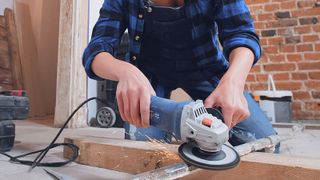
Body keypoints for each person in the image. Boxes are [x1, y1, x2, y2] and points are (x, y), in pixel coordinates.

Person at [83, 0, 279, 151]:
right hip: (149, 78)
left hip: (205, 69)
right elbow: (95, 51)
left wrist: (233, 82)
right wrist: (126, 71)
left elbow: (241, 34)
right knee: (147, 154)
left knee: (266, 146)